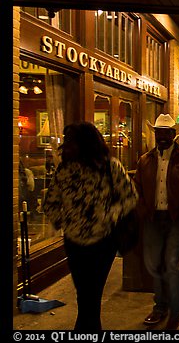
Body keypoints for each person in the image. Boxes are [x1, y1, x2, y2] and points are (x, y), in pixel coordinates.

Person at [43, 121, 137, 330]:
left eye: (70, 141)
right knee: (84, 293)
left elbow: (129, 197)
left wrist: (108, 216)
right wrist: (65, 219)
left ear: (85, 143)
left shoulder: (109, 166)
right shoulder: (65, 169)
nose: (65, 145)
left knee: (91, 292)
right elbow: (50, 202)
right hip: (74, 240)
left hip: (103, 240)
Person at [133, 114, 179, 330]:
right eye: (158, 132)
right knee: (155, 264)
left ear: (174, 135)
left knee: (172, 266)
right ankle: (160, 306)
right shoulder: (145, 160)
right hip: (153, 219)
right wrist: (143, 210)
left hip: (175, 219)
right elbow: (137, 189)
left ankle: (174, 310)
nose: (162, 136)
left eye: (166, 132)